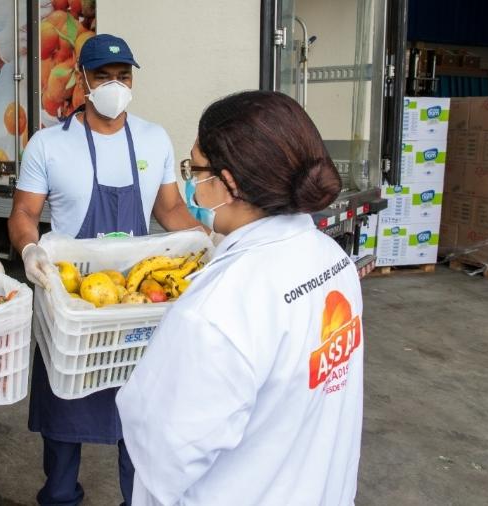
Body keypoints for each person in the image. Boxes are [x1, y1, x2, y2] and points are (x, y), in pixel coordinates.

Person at [116, 91, 364, 506]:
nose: (190, 183)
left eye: (194, 169)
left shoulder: (216, 310)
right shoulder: (331, 260)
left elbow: (164, 451)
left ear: (228, 183)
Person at [8, 34, 203, 505]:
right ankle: (59, 496)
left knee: (139, 414)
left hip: (135, 300)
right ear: (82, 79)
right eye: (103, 76)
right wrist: (30, 251)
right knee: (64, 411)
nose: (115, 85)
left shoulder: (154, 138)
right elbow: (23, 213)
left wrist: (209, 240)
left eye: (123, 76)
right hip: (72, 300)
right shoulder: (50, 145)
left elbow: (170, 208)